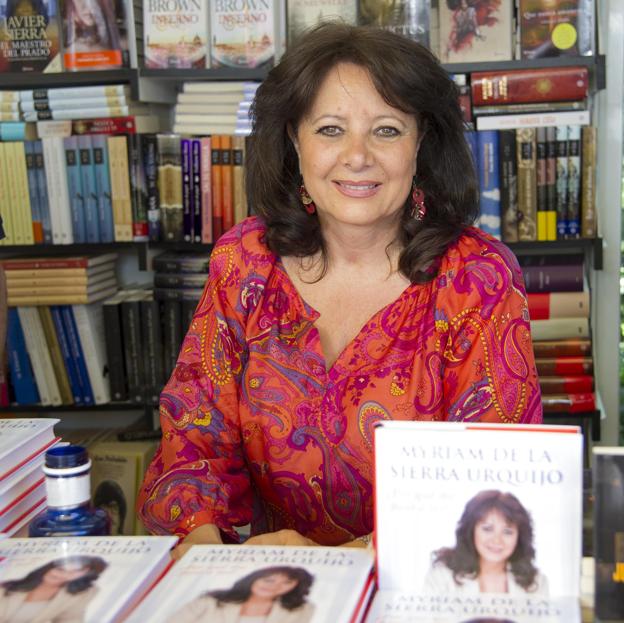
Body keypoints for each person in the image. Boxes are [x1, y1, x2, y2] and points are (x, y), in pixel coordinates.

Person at [138, 22, 542, 555]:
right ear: (293, 139)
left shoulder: (476, 278)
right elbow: (194, 433)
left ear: (421, 143)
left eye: (387, 130)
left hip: (422, 588)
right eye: (330, 129)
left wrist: (347, 564)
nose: (357, 156)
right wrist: (206, 545)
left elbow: (499, 481)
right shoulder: (245, 263)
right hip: (269, 592)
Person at [423, 490, 549, 595]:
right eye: (488, 529)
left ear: (519, 536)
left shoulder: (536, 583)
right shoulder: (442, 577)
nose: (497, 540)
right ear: (471, 530)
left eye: (507, 532)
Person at [171, 566, 314, 623]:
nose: (274, 586)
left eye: (287, 583)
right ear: (252, 579)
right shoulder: (209, 601)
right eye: (268, 579)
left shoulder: (302, 609)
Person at [0, 555, 107, 623]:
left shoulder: (78, 594)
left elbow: (70, 618)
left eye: (72, 573)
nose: (61, 574)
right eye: (60, 569)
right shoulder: (5, 587)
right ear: (48, 567)